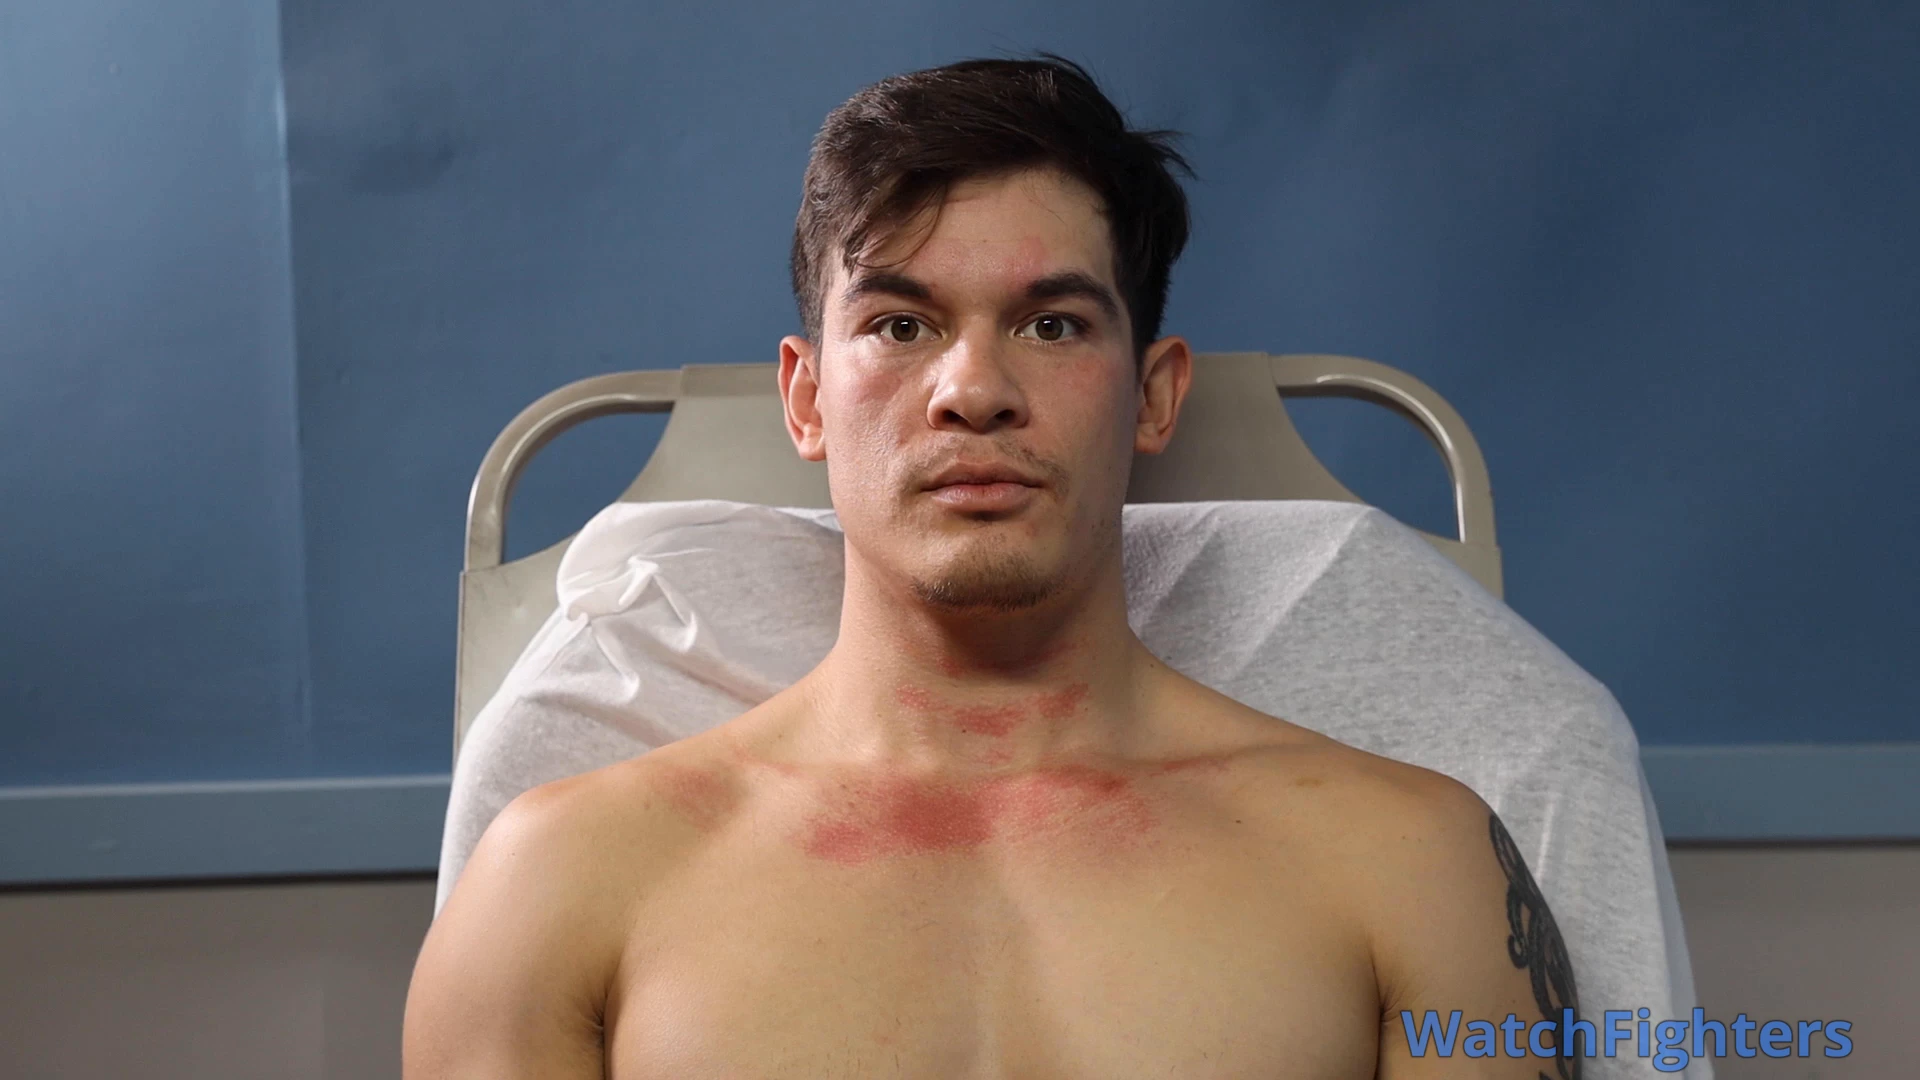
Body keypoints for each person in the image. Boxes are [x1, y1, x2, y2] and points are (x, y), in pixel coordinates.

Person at [403, 56, 1579, 1079]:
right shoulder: (561, 885)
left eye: (1053, 324)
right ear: (806, 400)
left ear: (1154, 396)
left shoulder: (1412, 867)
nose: (972, 390)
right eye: (900, 325)